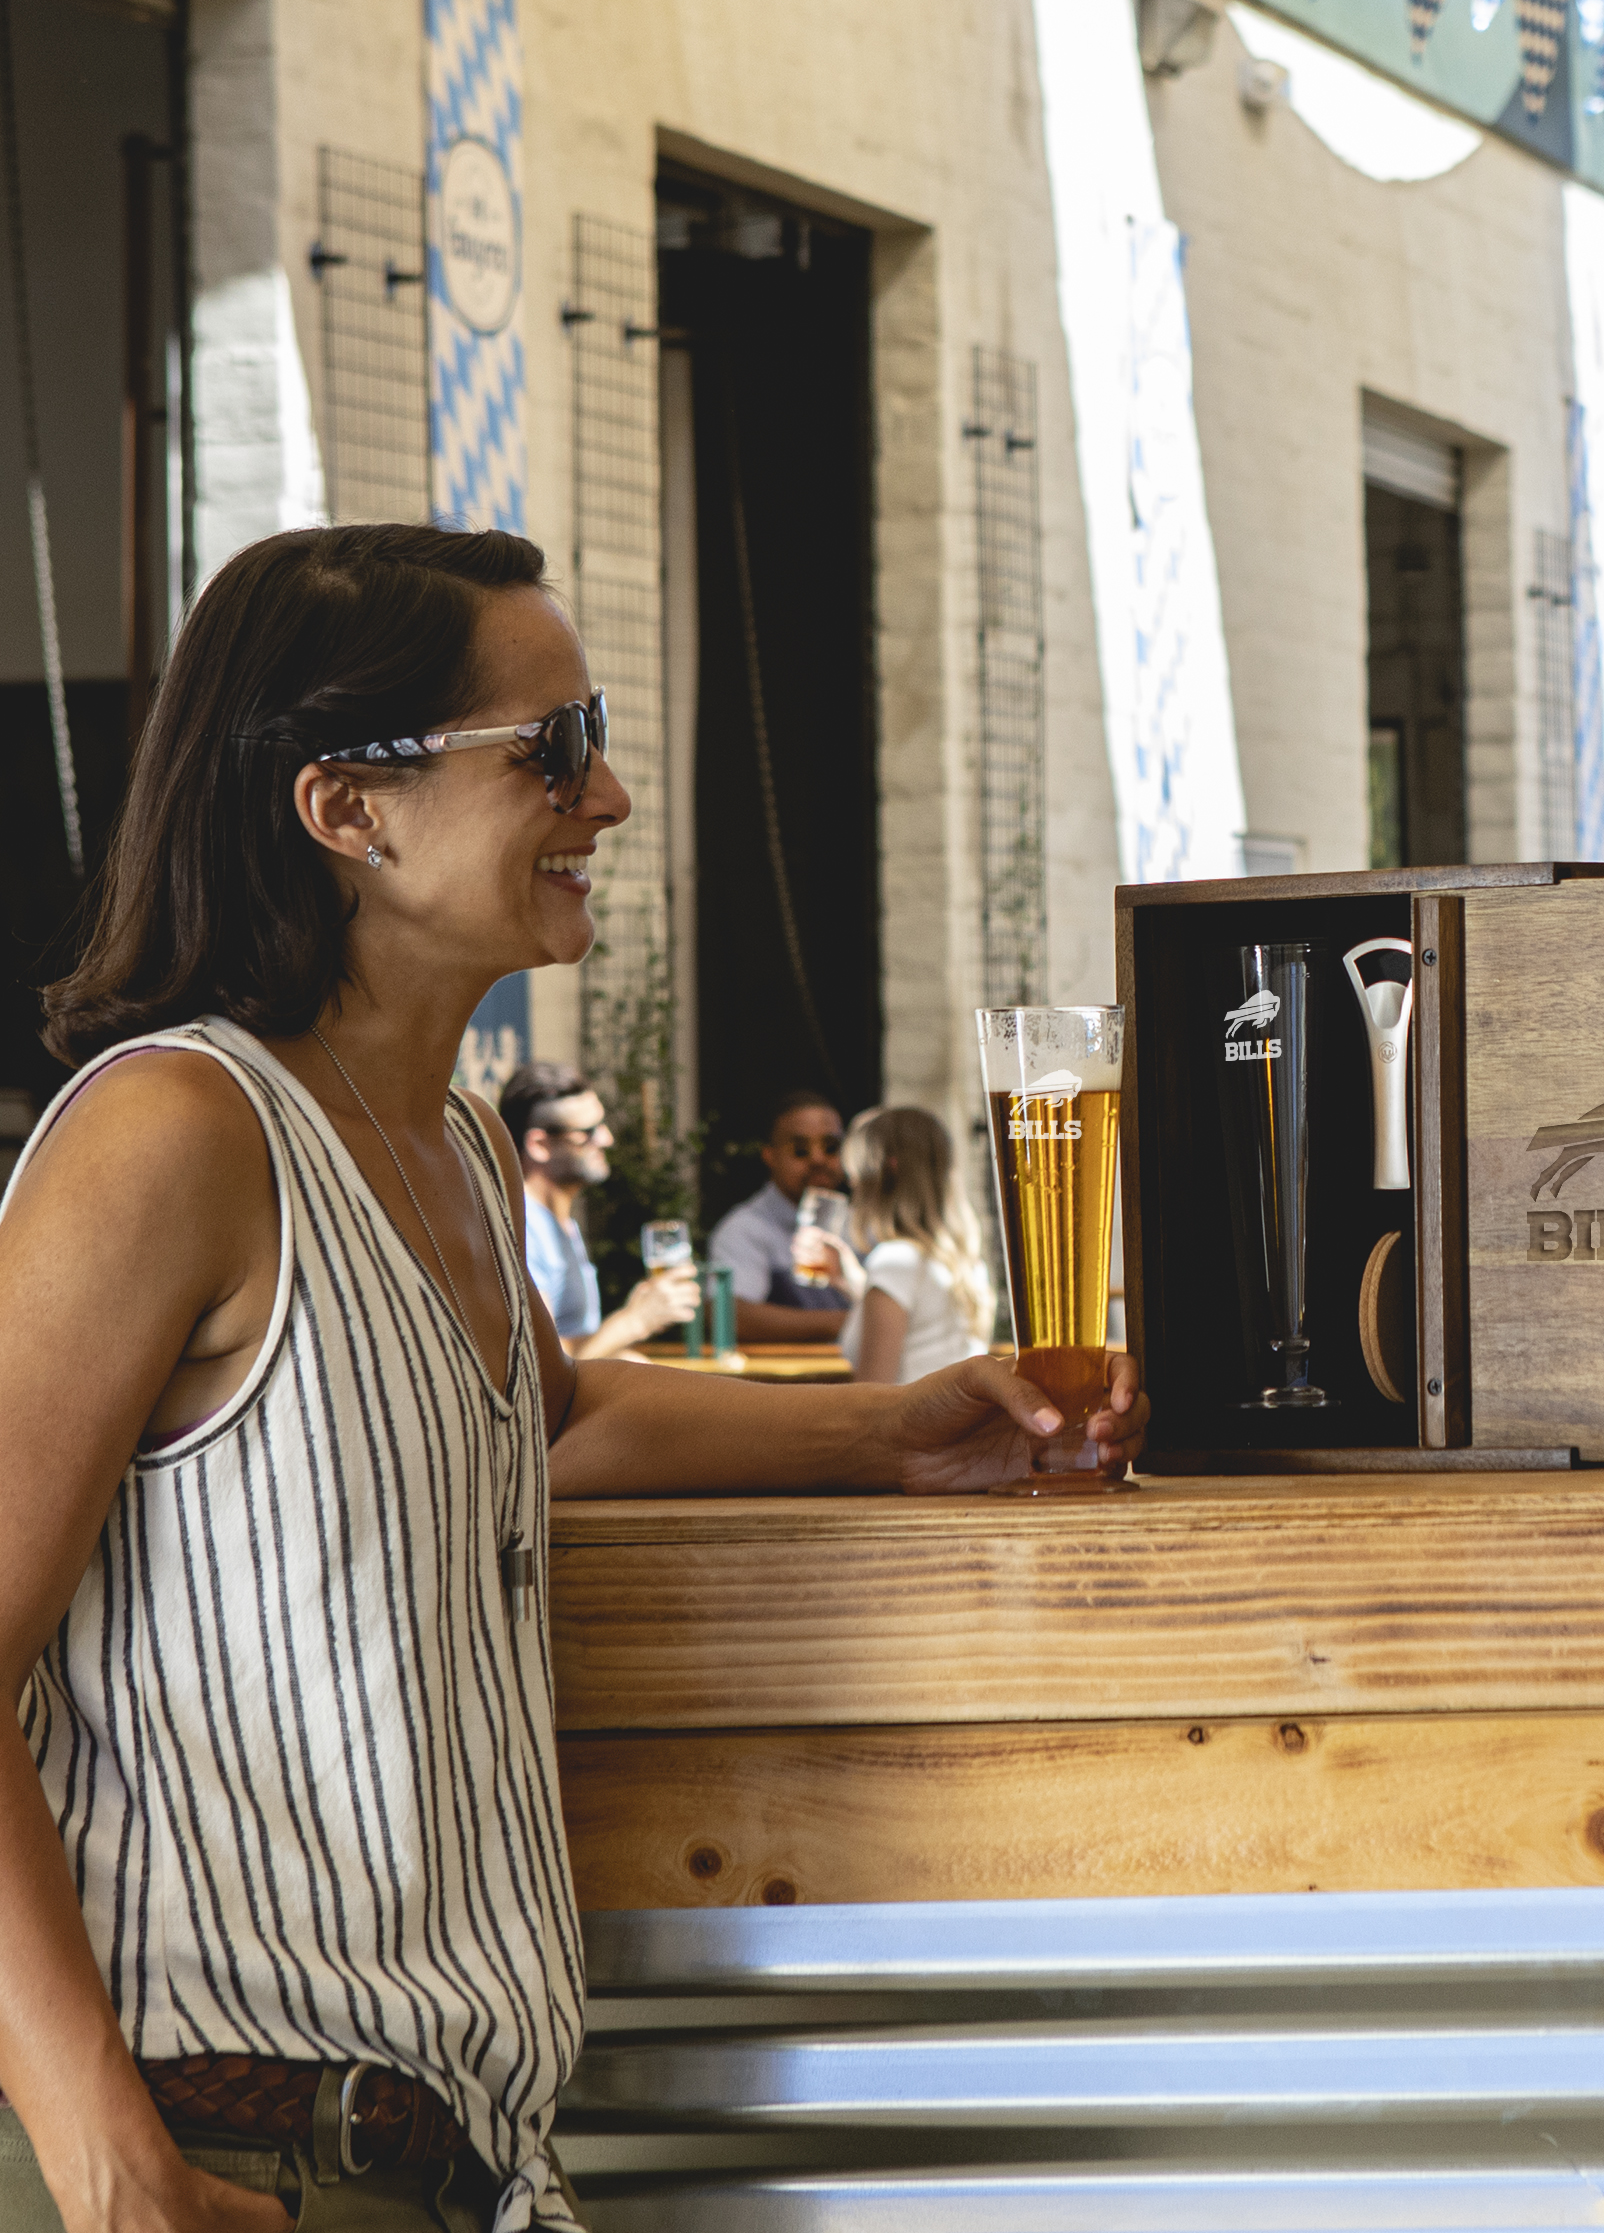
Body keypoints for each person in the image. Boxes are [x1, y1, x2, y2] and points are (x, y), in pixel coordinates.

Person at [0, 523, 1144, 2233]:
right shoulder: (173, 1131)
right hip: (223, 2149)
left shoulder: (449, 1137)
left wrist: (908, 1428)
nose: (604, 797)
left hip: (442, 2163)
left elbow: (561, 1422)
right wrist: (104, 2160)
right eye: (552, 747)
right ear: (347, 810)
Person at [499, 1059, 698, 1362]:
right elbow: (540, 1366)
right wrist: (634, 1321)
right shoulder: (522, 1226)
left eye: (602, 1125)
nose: (606, 1139)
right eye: (588, 1132)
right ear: (540, 1144)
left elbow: (573, 1344)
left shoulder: (557, 1221)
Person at [806, 1103, 994, 1384]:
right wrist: (852, 1282)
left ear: (886, 1171)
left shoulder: (893, 1261)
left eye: (856, 1174)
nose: (852, 1186)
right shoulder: (966, 1263)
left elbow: (872, 1401)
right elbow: (920, 1334)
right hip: (956, 1426)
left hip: (912, 1429)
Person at [706, 1091, 856, 1344]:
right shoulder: (744, 1229)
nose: (818, 1159)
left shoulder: (865, 1224)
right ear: (770, 1156)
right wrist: (850, 1322)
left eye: (831, 1147)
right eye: (800, 1149)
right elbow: (730, 1314)